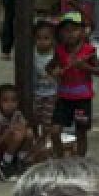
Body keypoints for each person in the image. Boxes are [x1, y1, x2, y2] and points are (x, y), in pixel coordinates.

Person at [53, 11, 99, 157]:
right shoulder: (60, 50)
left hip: (82, 99)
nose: (70, 34)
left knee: (81, 133)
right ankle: (60, 160)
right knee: (55, 131)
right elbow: (50, 67)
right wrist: (55, 71)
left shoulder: (89, 51)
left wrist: (85, 67)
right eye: (65, 30)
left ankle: (80, 162)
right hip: (63, 97)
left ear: (82, 31)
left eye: (74, 30)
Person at [0, 83, 32, 181]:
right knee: (17, 135)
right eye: (5, 101)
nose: (10, 104)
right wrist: (7, 132)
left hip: (10, 148)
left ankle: (19, 161)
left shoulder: (17, 114)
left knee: (28, 132)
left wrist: (23, 126)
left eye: (14, 100)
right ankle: (4, 165)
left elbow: (25, 127)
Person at [32, 18, 61, 157]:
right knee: (34, 116)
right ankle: (37, 138)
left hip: (51, 93)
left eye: (46, 38)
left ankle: (44, 139)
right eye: (38, 38)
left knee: (47, 120)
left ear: (53, 39)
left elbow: (61, 74)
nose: (42, 41)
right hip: (36, 92)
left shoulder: (56, 55)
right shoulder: (32, 54)